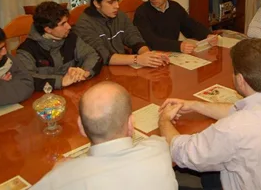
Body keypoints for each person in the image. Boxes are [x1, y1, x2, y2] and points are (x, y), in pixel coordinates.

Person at [158, 38, 261, 190]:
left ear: (240, 80)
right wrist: (194, 105)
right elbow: (238, 111)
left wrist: (164, 121)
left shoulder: (234, 129)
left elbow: (183, 154)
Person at [32, 81, 178, 190]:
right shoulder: (159, 149)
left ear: (81, 127)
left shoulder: (62, 179)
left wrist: (60, 171)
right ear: (131, 124)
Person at [74, 0, 168, 67]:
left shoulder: (119, 15)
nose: (117, 6)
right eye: (111, 2)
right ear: (97, 4)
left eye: (117, 0)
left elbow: (134, 37)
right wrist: (137, 59)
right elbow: (103, 56)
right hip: (100, 71)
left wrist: (148, 56)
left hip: (120, 67)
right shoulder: (84, 24)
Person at [16, 1, 102, 91]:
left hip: (72, 91)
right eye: (63, 24)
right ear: (48, 29)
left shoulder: (71, 38)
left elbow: (93, 55)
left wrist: (85, 72)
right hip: (43, 99)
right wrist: (60, 81)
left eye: (67, 22)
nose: (69, 26)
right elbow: (26, 78)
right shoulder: (26, 50)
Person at [134, 0, 217, 53]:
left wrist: (207, 35)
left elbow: (191, 27)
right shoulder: (141, 12)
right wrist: (179, 46)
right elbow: (151, 41)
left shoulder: (175, 7)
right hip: (150, 57)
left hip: (172, 55)